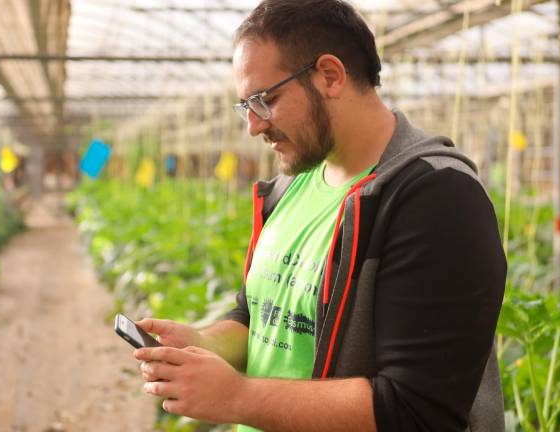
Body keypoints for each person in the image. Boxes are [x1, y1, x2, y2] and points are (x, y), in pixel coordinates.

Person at [133, 1, 507, 431]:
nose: (253, 125)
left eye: (265, 100)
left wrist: (236, 397)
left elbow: (417, 410)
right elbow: (256, 316)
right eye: (246, 106)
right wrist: (202, 344)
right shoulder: (291, 187)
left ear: (330, 76)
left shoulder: (437, 198)